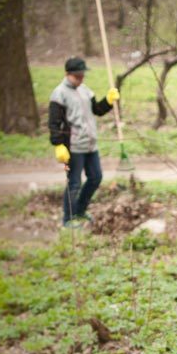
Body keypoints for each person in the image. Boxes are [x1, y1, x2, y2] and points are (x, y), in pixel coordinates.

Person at [48, 57, 119, 227]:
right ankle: (68, 218)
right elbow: (54, 123)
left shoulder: (86, 90)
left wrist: (108, 101)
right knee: (74, 182)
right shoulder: (59, 94)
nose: (81, 79)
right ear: (67, 74)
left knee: (96, 177)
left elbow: (97, 110)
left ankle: (80, 210)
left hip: (90, 144)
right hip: (72, 146)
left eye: (82, 75)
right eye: (77, 76)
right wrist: (58, 144)